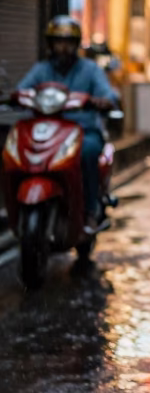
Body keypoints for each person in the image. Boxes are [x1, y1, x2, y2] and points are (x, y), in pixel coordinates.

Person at [17, 16, 120, 231]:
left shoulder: (90, 69)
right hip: (48, 131)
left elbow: (107, 95)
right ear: (51, 44)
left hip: (83, 131)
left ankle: (90, 211)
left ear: (75, 44)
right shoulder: (41, 69)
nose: (63, 47)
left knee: (88, 152)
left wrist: (102, 101)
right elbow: (23, 89)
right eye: (58, 42)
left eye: (68, 42)